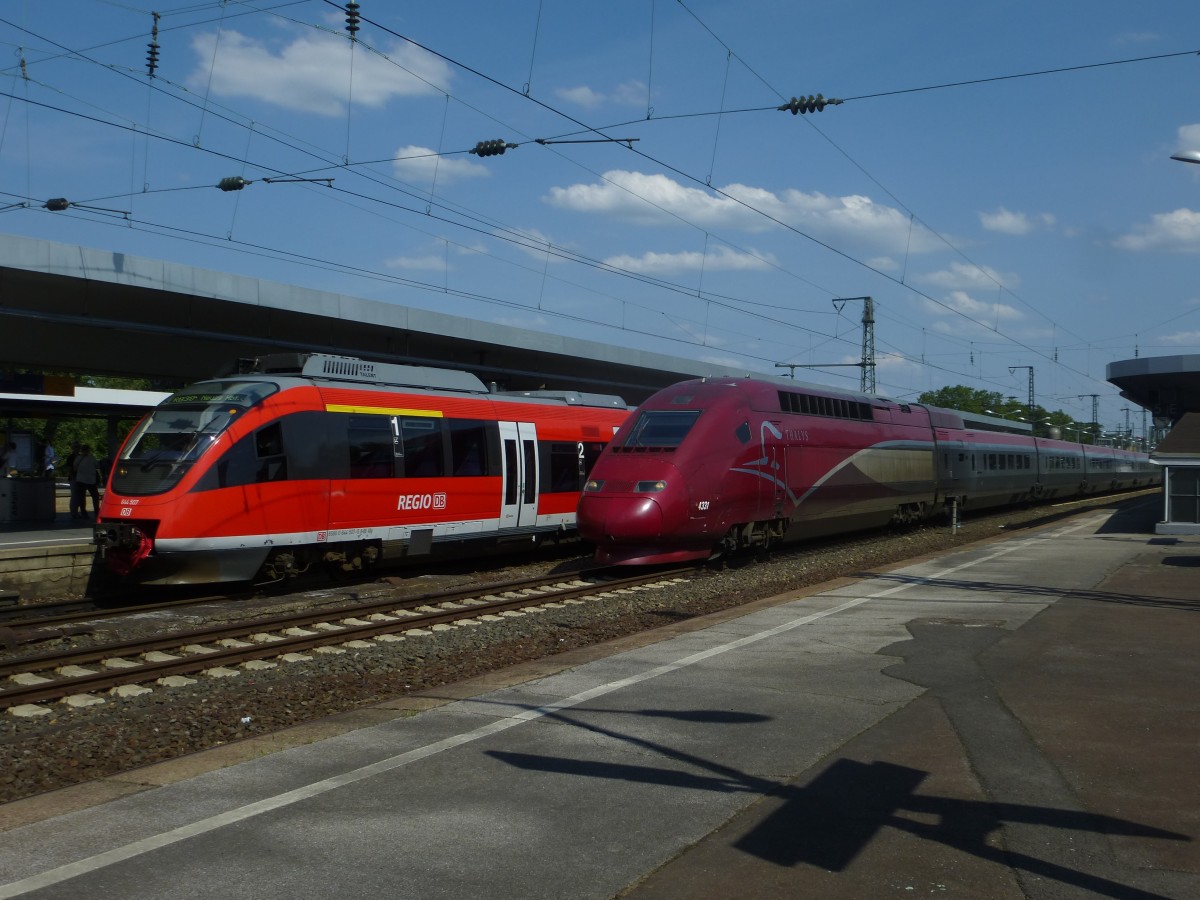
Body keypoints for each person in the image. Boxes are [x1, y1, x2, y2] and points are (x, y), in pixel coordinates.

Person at [70, 444, 101, 519]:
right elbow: (97, 465)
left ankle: (83, 512)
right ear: (88, 450)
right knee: (95, 496)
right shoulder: (92, 458)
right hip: (91, 480)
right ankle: (97, 511)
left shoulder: (78, 458)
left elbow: (74, 468)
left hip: (80, 480)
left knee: (82, 497)